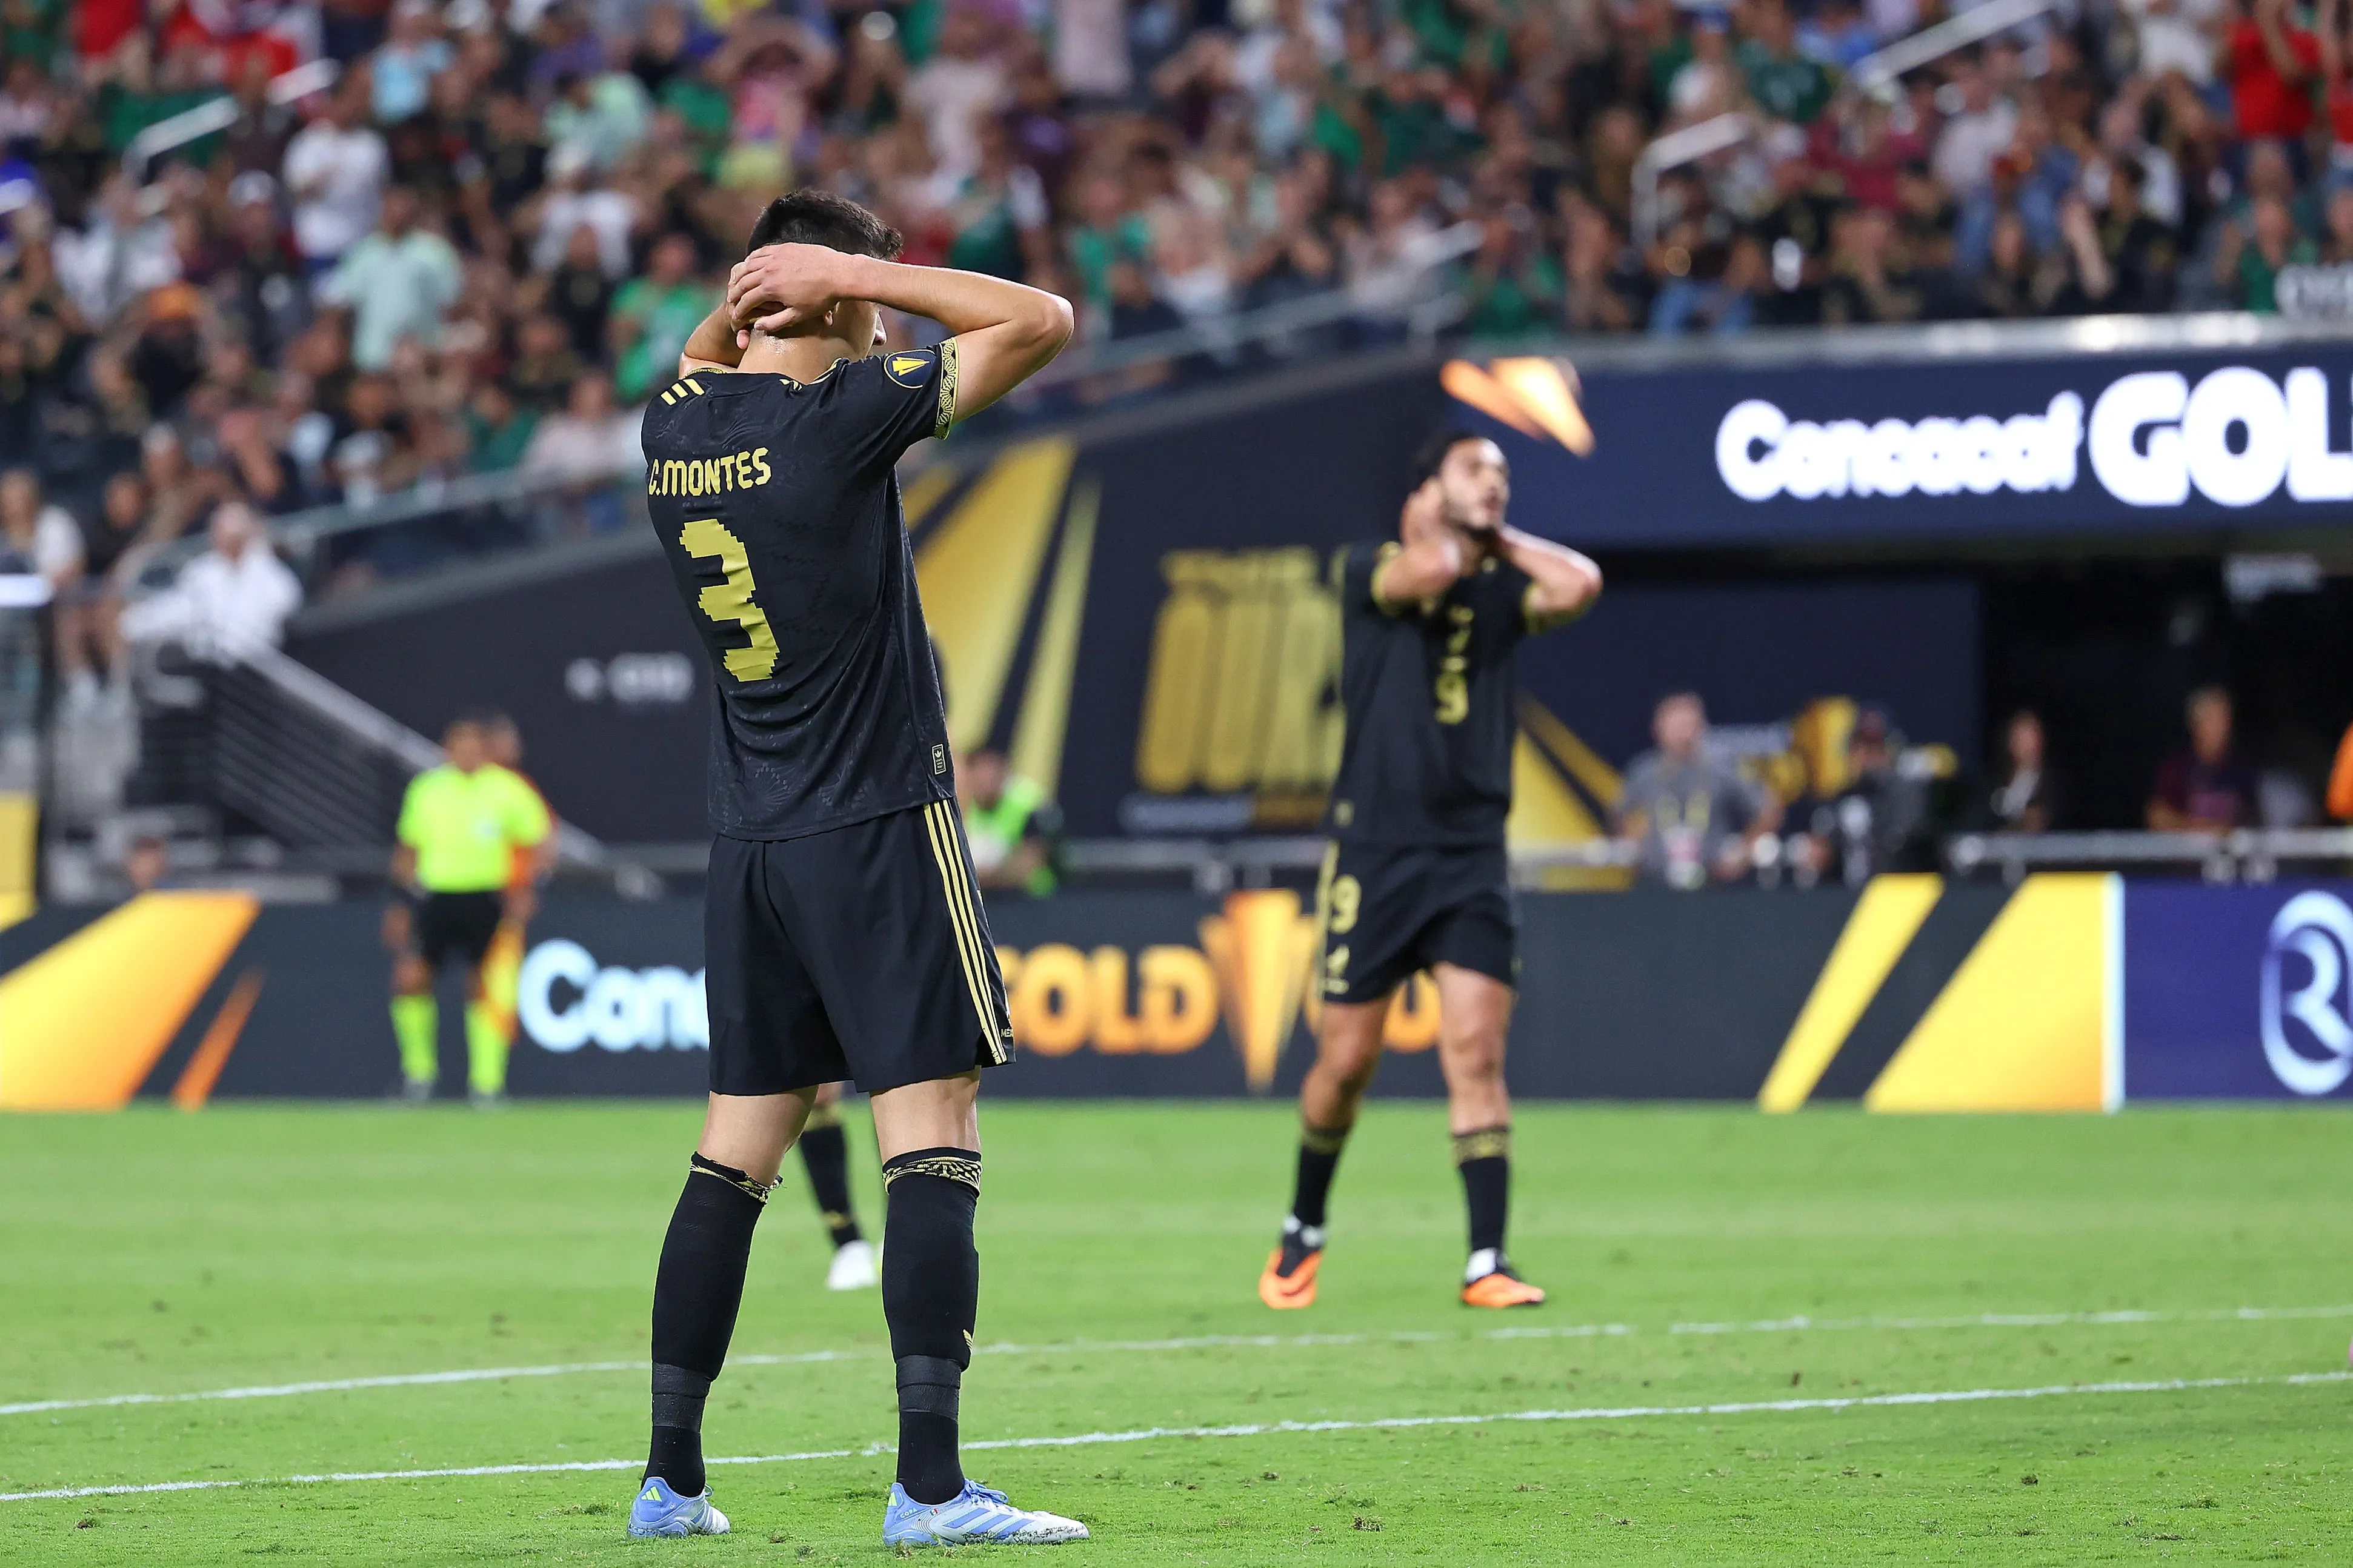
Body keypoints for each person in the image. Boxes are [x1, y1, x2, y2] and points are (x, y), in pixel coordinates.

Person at [627, 190, 1080, 1546]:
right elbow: (1039, 320)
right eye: (865, 290)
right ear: (827, 299)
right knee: (931, 1119)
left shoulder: (674, 431)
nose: (886, 310)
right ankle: (931, 1491)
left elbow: (705, 356)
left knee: (735, 1147)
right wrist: (835, 277)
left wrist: (763, 291)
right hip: (878, 820)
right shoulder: (841, 422)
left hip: (748, 841)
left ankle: (670, 1479)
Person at [1257, 428, 1601, 1315]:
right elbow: (1429, 573)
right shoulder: (1366, 570)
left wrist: (1496, 533)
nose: (1493, 482)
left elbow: (1580, 584)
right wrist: (1448, 532)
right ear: (1423, 492)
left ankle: (1484, 1261)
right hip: (1375, 853)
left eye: (1501, 473)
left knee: (1475, 1051)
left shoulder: (1497, 580)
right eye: (1473, 470)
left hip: (1470, 857)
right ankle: (1304, 1226)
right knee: (1345, 1063)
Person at [386, 714, 553, 1106]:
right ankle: (419, 1074)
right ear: (447, 749)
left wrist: (529, 888)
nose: (467, 752)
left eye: (474, 746)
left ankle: (486, 1084)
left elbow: (540, 842)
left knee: (483, 984)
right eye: (459, 745)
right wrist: (399, 903)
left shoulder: (507, 789)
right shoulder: (428, 789)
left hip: (486, 897)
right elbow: (408, 850)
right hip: (435, 896)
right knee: (411, 978)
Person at [1614, 692, 1780, 888]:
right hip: (1656, 882)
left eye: (1689, 725)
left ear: (1701, 727)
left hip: (1713, 881)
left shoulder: (1723, 768)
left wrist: (1743, 853)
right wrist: (1636, 845)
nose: (1684, 735)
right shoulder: (1643, 771)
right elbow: (1619, 814)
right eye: (1676, 726)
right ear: (1658, 729)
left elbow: (1769, 810)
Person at [474, 714, 559, 1064]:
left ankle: (489, 1076)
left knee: (498, 980)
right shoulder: (469, 787)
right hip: (466, 894)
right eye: (504, 740)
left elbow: (545, 843)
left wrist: (529, 887)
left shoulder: (518, 789)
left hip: (504, 898)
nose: (514, 748)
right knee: (483, 982)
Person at [2148, 685, 2258, 830]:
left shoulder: (2241, 769)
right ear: (2196, 724)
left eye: (2225, 719)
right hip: (2186, 851)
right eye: (2213, 720)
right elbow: (2156, 817)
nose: (2223, 727)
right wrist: (2202, 829)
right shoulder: (2177, 768)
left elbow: (2255, 819)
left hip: (2229, 852)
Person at [959, 746, 1060, 895]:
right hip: (985, 902)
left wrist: (976, 876)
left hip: (1031, 901)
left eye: (991, 772)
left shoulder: (1028, 805)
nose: (986, 779)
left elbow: (1027, 865)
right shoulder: (960, 807)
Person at [1987, 709, 2062, 832]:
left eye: (2031, 737)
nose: (2026, 744)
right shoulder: (1995, 780)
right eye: (2020, 737)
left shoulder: (2052, 783)